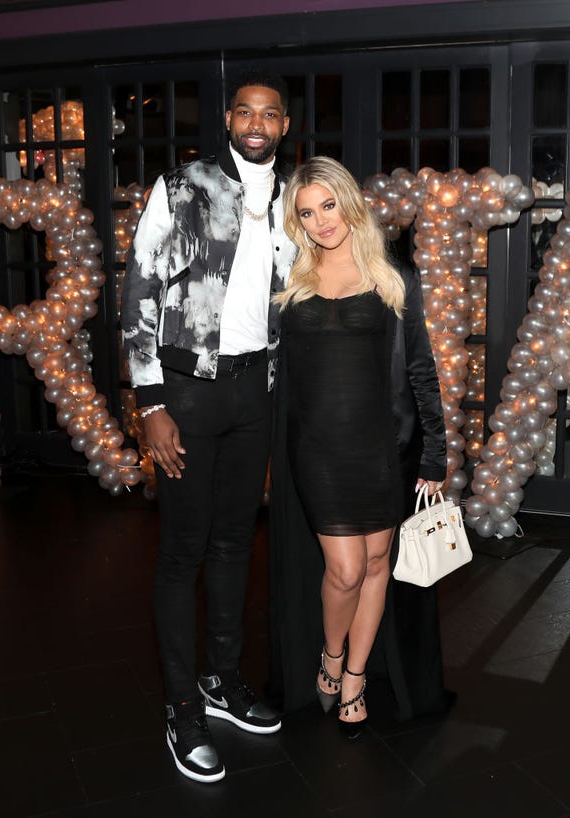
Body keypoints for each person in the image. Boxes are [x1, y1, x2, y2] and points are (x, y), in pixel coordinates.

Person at [120, 67, 297, 783]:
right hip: (185, 394)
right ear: (228, 120)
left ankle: (222, 682)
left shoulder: (293, 198)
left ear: (284, 126)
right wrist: (151, 404)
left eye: (270, 114)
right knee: (182, 552)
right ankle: (181, 706)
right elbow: (137, 288)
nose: (256, 124)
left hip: (254, 391)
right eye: (245, 112)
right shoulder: (181, 186)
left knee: (233, 544)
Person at [269, 156, 448, 739]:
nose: (322, 221)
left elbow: (421, 369)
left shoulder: (393, 277)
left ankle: (354, 676)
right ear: (296, 223)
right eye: (307, 212)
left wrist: (435, 454)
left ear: (348, 201)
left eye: (328, 205)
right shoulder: (290, 283)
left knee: (377, 564)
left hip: (382, 447)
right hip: (318, 448)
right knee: (344, 569)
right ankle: (329, 653)